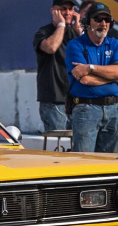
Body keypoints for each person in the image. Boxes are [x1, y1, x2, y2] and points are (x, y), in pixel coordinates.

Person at [66, 3, 118, 153]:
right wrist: (115, 78)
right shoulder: (75, 45)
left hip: (114, 109)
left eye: (107, 19)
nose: (103, 23)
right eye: (98, 19)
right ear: (88, 22)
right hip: (87, 109)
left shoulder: (115, 44)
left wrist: (90, 68)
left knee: (110, 164)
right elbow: (85, 80)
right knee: (85, 162)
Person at [33, 0, 83, 132]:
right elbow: (51, 47)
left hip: (77, 101)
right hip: (54, 102)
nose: (67, 13)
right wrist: (61, 24)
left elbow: (89, 59)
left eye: (71, 9)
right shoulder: (43, 32)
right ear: (53, 11)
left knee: (79, 148)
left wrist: (79, 32)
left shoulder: (74, 34)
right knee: (59, 147)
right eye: (63, 9)